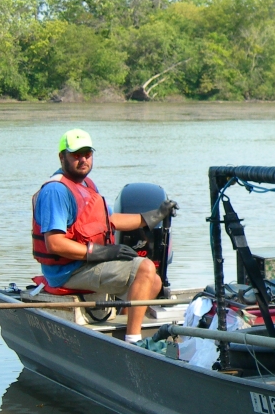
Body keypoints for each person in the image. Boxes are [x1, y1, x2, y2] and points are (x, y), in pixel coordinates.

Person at [31, 129, 176, 344]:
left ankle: (125, 324)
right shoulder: (57, 191)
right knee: (144, 267)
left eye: (87, 154)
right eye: (76, 155)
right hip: (68, 270)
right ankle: (133, 342)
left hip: (86, 264)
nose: (83, 160)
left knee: (154, 281)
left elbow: (111, 221)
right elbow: (54, 244)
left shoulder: (86, 185)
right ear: (62, 157)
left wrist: (154, 216)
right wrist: (104, 251)